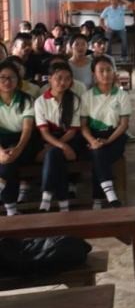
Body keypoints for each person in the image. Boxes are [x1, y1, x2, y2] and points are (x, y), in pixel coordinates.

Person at [80, 56, 130, 209]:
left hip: (115, 136)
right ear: (94, 74)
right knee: (97, 152)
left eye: (109, 70)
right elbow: (83, 126)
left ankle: (98, 198)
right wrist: (92, 141)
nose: (105, 74)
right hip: (93, 135)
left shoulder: (122, 95)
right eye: (101, 71)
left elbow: (123, 125)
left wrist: (108, 141)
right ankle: (109, 195)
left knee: (98, 155)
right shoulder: (87, 96)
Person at [34, 63, 85, 213]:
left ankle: (46, 197)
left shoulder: (75, 100)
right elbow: (44, 132)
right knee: (56, 156)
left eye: (68, 79)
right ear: (50, 79)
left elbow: (72, 131)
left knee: (52, 154)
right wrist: (61, 146)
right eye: (59, 78)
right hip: (50, 139)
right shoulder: (40, 102)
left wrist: (58, 145)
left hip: (71, 140)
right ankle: (63, 203)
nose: (63, 82)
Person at [0, 60, 39, 216]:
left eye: (12, 78)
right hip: (1, 141)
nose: (7, 82)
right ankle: (11, 209)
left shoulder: (27, 99)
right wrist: (1, 151)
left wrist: (17, 149)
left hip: (24, 142)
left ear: (18, 81)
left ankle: (10, 207)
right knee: (7, 160)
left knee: (10, 160)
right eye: (2, 77)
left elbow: (28, 128)